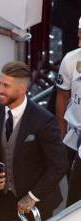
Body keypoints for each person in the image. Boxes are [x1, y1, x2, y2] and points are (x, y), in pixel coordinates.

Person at [0, 61, 69, 221]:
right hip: (1, 199)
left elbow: (59, 164)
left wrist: (32, 196)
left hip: (36, 202)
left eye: (6, 86)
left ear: (22, 89)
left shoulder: (44, 121)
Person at [55, 20, 81, 206]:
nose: (79, 42)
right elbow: (62, 96)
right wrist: (61, 131)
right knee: (73, 195)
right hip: (73, 138)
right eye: (79, 36)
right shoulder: (71, 60)